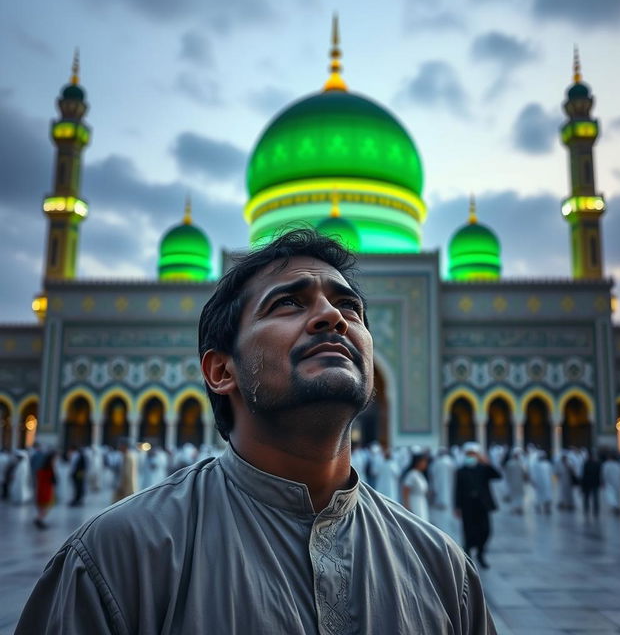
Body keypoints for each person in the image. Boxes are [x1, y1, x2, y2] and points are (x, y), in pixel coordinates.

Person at [17, 229, 496, 634]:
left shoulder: (440, 569)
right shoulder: (122, 559)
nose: (333, 317)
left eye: (350, 308)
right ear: (221, 370)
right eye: (288, 302)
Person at [454, 442, 501, 569]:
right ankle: (468, 556)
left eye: (473, 454)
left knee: (485, 530)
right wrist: (457, 506)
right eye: (469, 454)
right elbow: (457, 489)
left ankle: (480, 553)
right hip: (467, 506)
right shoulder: (461, 471)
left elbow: (497, 475)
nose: (471, 456)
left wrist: (486, 462)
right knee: (468, 531)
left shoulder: (483, 468)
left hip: (482, 505)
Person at [401, 453, 430, 521]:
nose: (425, 464)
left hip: (421, 502)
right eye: (424, 461)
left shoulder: (420, 474)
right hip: (414, 502)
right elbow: (405, 490)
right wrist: (407, 506)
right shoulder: (411, 474)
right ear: (418, 462)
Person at [34, 451, 57, 529]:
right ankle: (39, 519)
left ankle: (40, 519)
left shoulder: (41, 469)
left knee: (43, 507)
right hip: (46, 490)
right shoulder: (49, 470)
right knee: (46, 506)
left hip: (41, 490)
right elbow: (54, 481)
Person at [112, 437, 138, 503]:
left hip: (125, 489)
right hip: (123, 487)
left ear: (124, 446)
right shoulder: (125, 456)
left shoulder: (128, 457)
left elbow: (128, 475)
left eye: (120, 445)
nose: (118, 447)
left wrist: (121, 486)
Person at [431, 447, 455, 511]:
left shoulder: (436, 462)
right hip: (449, 488)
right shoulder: (450, 461)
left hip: (439, 488)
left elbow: (432, 476)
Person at [503, 447, 526, 514]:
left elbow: (524, 473)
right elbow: (507, 474)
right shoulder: (509, 463)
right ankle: (514, 508)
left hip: (519, 482)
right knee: (513, 496)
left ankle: (519, 508)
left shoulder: (520, 463)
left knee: (520, 496)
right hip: (512, 482)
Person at [581, 449, 602, 518]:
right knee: (591, 497)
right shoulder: (594, 463)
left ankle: (590, 509)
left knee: (591, 497)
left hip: (590, 483)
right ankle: (592, 509)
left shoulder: (588, 464)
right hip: (592, 483)